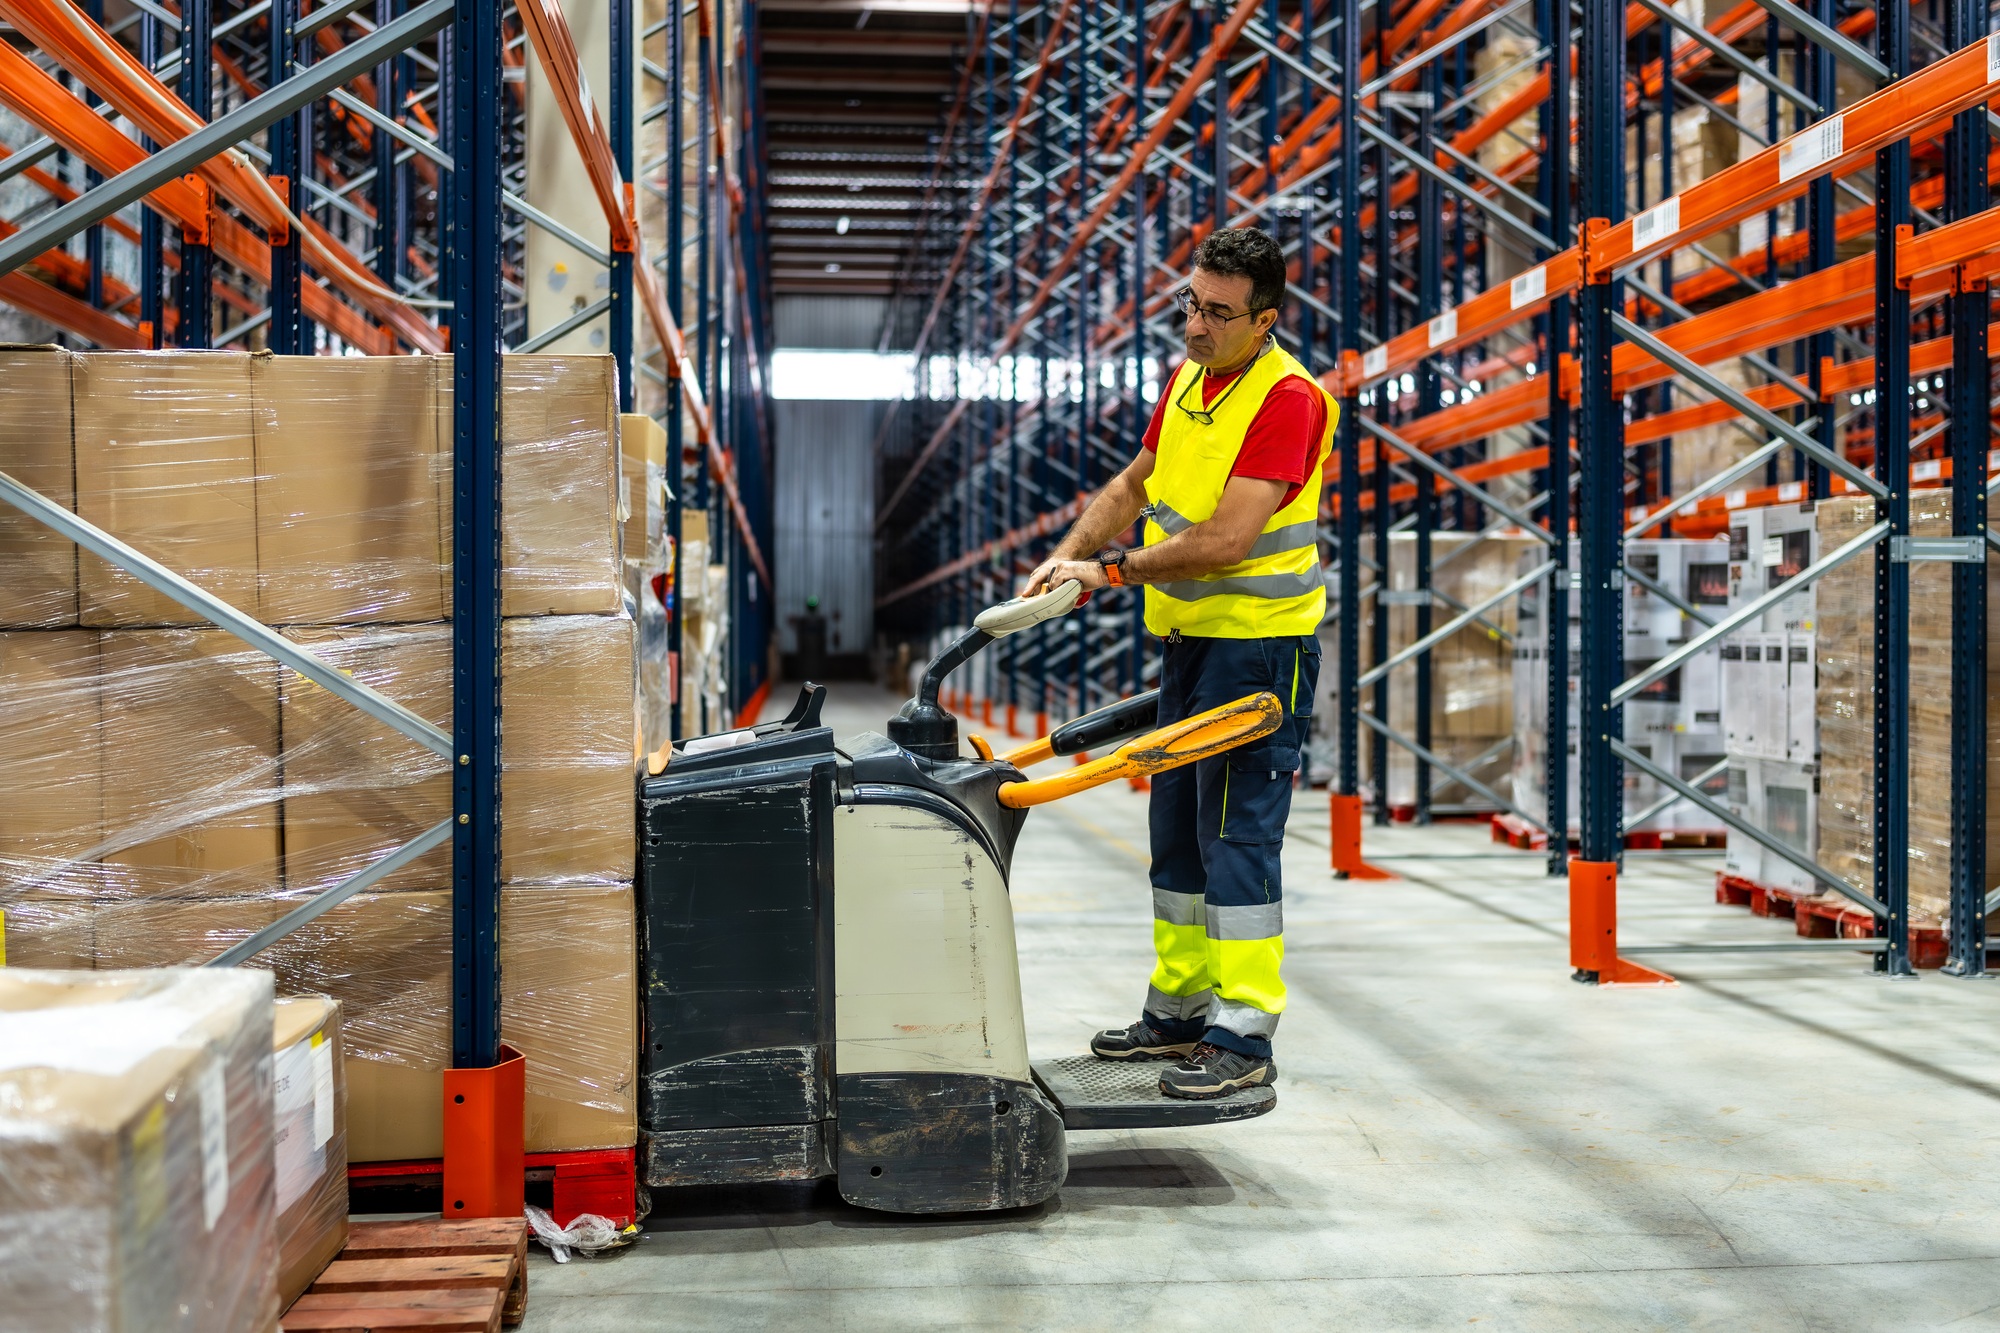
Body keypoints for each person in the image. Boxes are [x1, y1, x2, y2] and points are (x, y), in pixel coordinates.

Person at [1022, 226, 1331, 1100]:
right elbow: (1132, 485)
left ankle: (1244, 1033)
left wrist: (1109, 570)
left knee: (1237, 839)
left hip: (1260, 653)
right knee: (1175, 840)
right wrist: (1070, 557)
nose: (1195, 325)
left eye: (1218, 313)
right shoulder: (1192, 381)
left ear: (1264, 319)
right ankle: (1181, 1010)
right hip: (1190, 647)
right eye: (1191, 303)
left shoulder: (1288, 398)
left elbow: (1231, 538)